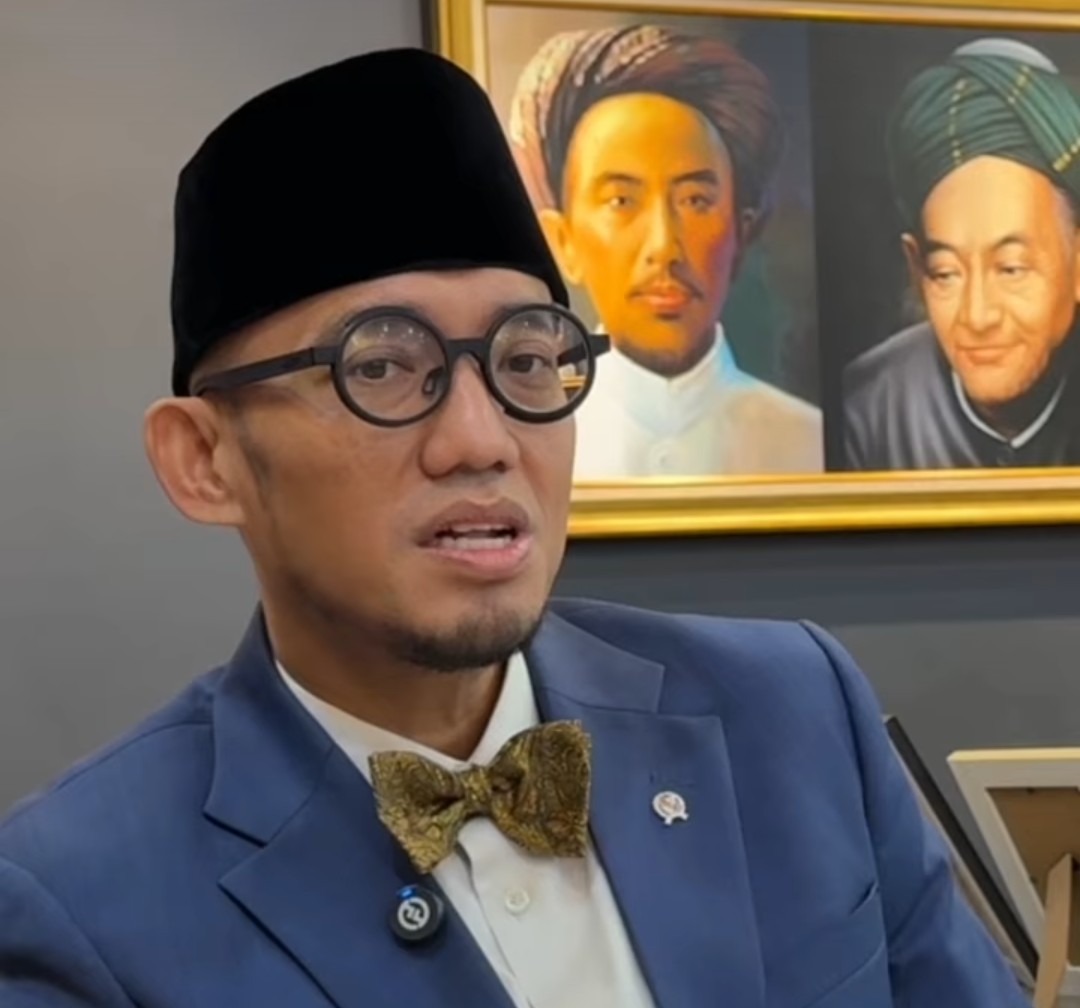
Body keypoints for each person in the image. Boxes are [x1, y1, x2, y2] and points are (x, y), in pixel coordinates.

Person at [0, 48, 1025, 1008]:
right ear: (205, 459)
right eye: (380, 367)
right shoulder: (80, 902)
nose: (481, 440)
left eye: (527, 360)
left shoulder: (792, 714)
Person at [510, 25, 823, 479]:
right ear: (564, 242)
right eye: (622, 201)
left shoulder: (808, 443)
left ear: (741, 232)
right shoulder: (521, 452)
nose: (663, 247)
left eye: (695, 201)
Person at [845, 37, 1080, 471]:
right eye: (946, 273)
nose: (977, 316)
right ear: (916, 269)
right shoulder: (867, 410)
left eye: (1010, 269)